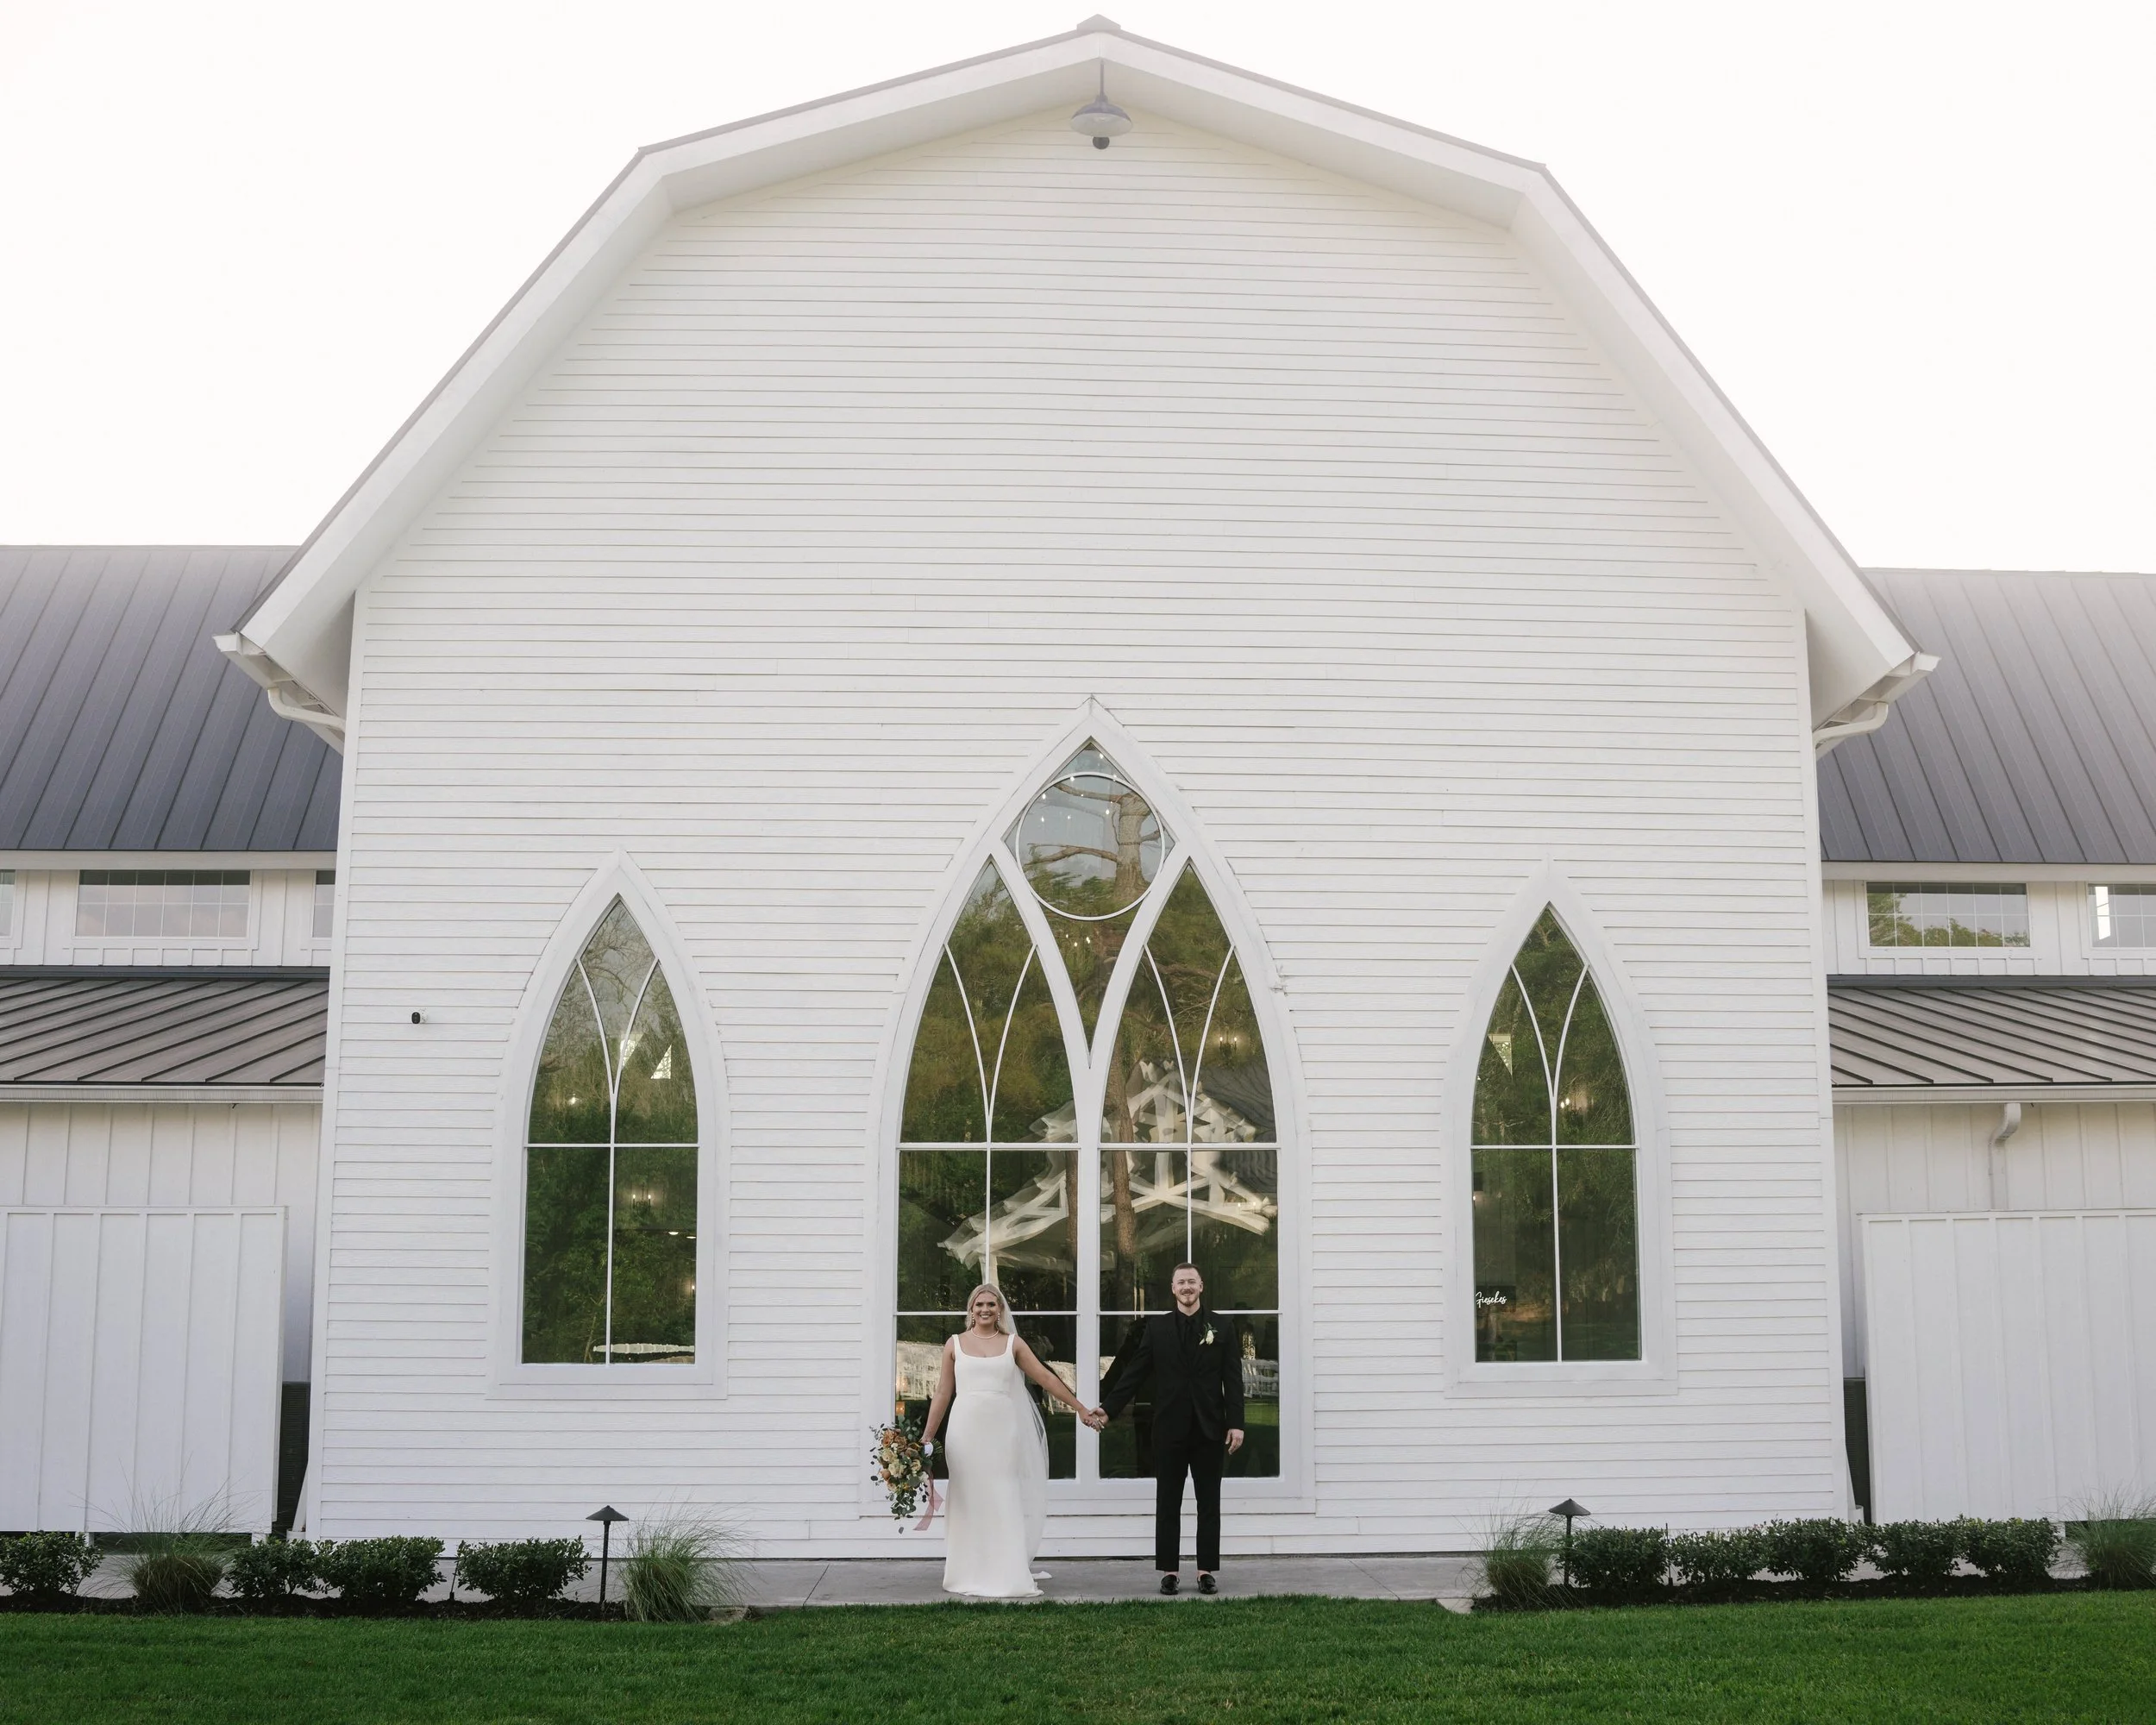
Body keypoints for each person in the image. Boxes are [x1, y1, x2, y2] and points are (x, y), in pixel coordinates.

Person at [919, 1283, 1101, 1599]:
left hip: (1002, 1430)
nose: (985, 1309)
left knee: (1002, 1493)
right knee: (968, 1497)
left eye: (992, 1304)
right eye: (979, 1305)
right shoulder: (954, 1344)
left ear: (1000, 1309)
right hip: (964, 1431)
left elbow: (1045, 1377)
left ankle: (1006, 1571)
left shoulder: (1013, 1344)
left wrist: (1080, 1408)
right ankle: (968, 1570)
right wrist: (927, 1437)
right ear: (970, 1310)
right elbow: (943, 1393)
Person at [1090, 1262, 1245, 1594]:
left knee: (1209, 1502)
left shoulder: (1222, 1326)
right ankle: (1170, 1571)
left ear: (1201, 1286)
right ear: (1173, 1289)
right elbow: (1135, 1372)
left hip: (1209, 1428)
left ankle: (1205, 1571)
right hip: (1169, 1428)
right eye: (1180, 1283)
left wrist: (1236, 1423)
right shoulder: (1156, 1329)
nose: (1187, 1287)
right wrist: (1108, 1408)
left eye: (1192, 1281)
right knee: (1168, 1501)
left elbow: (1233, 1379)